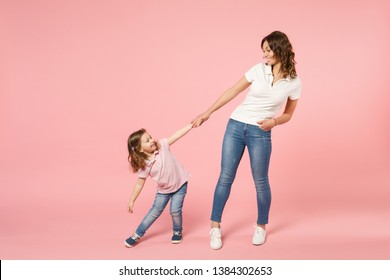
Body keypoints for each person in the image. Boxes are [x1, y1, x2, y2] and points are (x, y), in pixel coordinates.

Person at [192, 31, 302, 250]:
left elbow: (289, 114)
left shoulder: (293, 82)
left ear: (280, 49)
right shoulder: (257, 70)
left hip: (260, 132)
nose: (264, 55)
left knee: (260, 181)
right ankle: (215, 227)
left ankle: (261, 226)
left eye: (268, 50)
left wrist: (275, 121)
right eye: (263, 51)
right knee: (225, 177)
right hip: (235, 125)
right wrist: (207, 112)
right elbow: (233, 91)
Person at [124, 124, 192, 247]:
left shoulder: (162, 146)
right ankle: (137, 234)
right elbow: (139, 184)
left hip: (180, 184)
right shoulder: (144, 165)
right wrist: (132, 201)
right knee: (154, 212)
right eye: (147, 140)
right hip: (164, 190)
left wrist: (191, 125)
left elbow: (176, 135)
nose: (152, 140)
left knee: (175, 210)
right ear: (140, 149)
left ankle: (177, 231)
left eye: (150, 137)